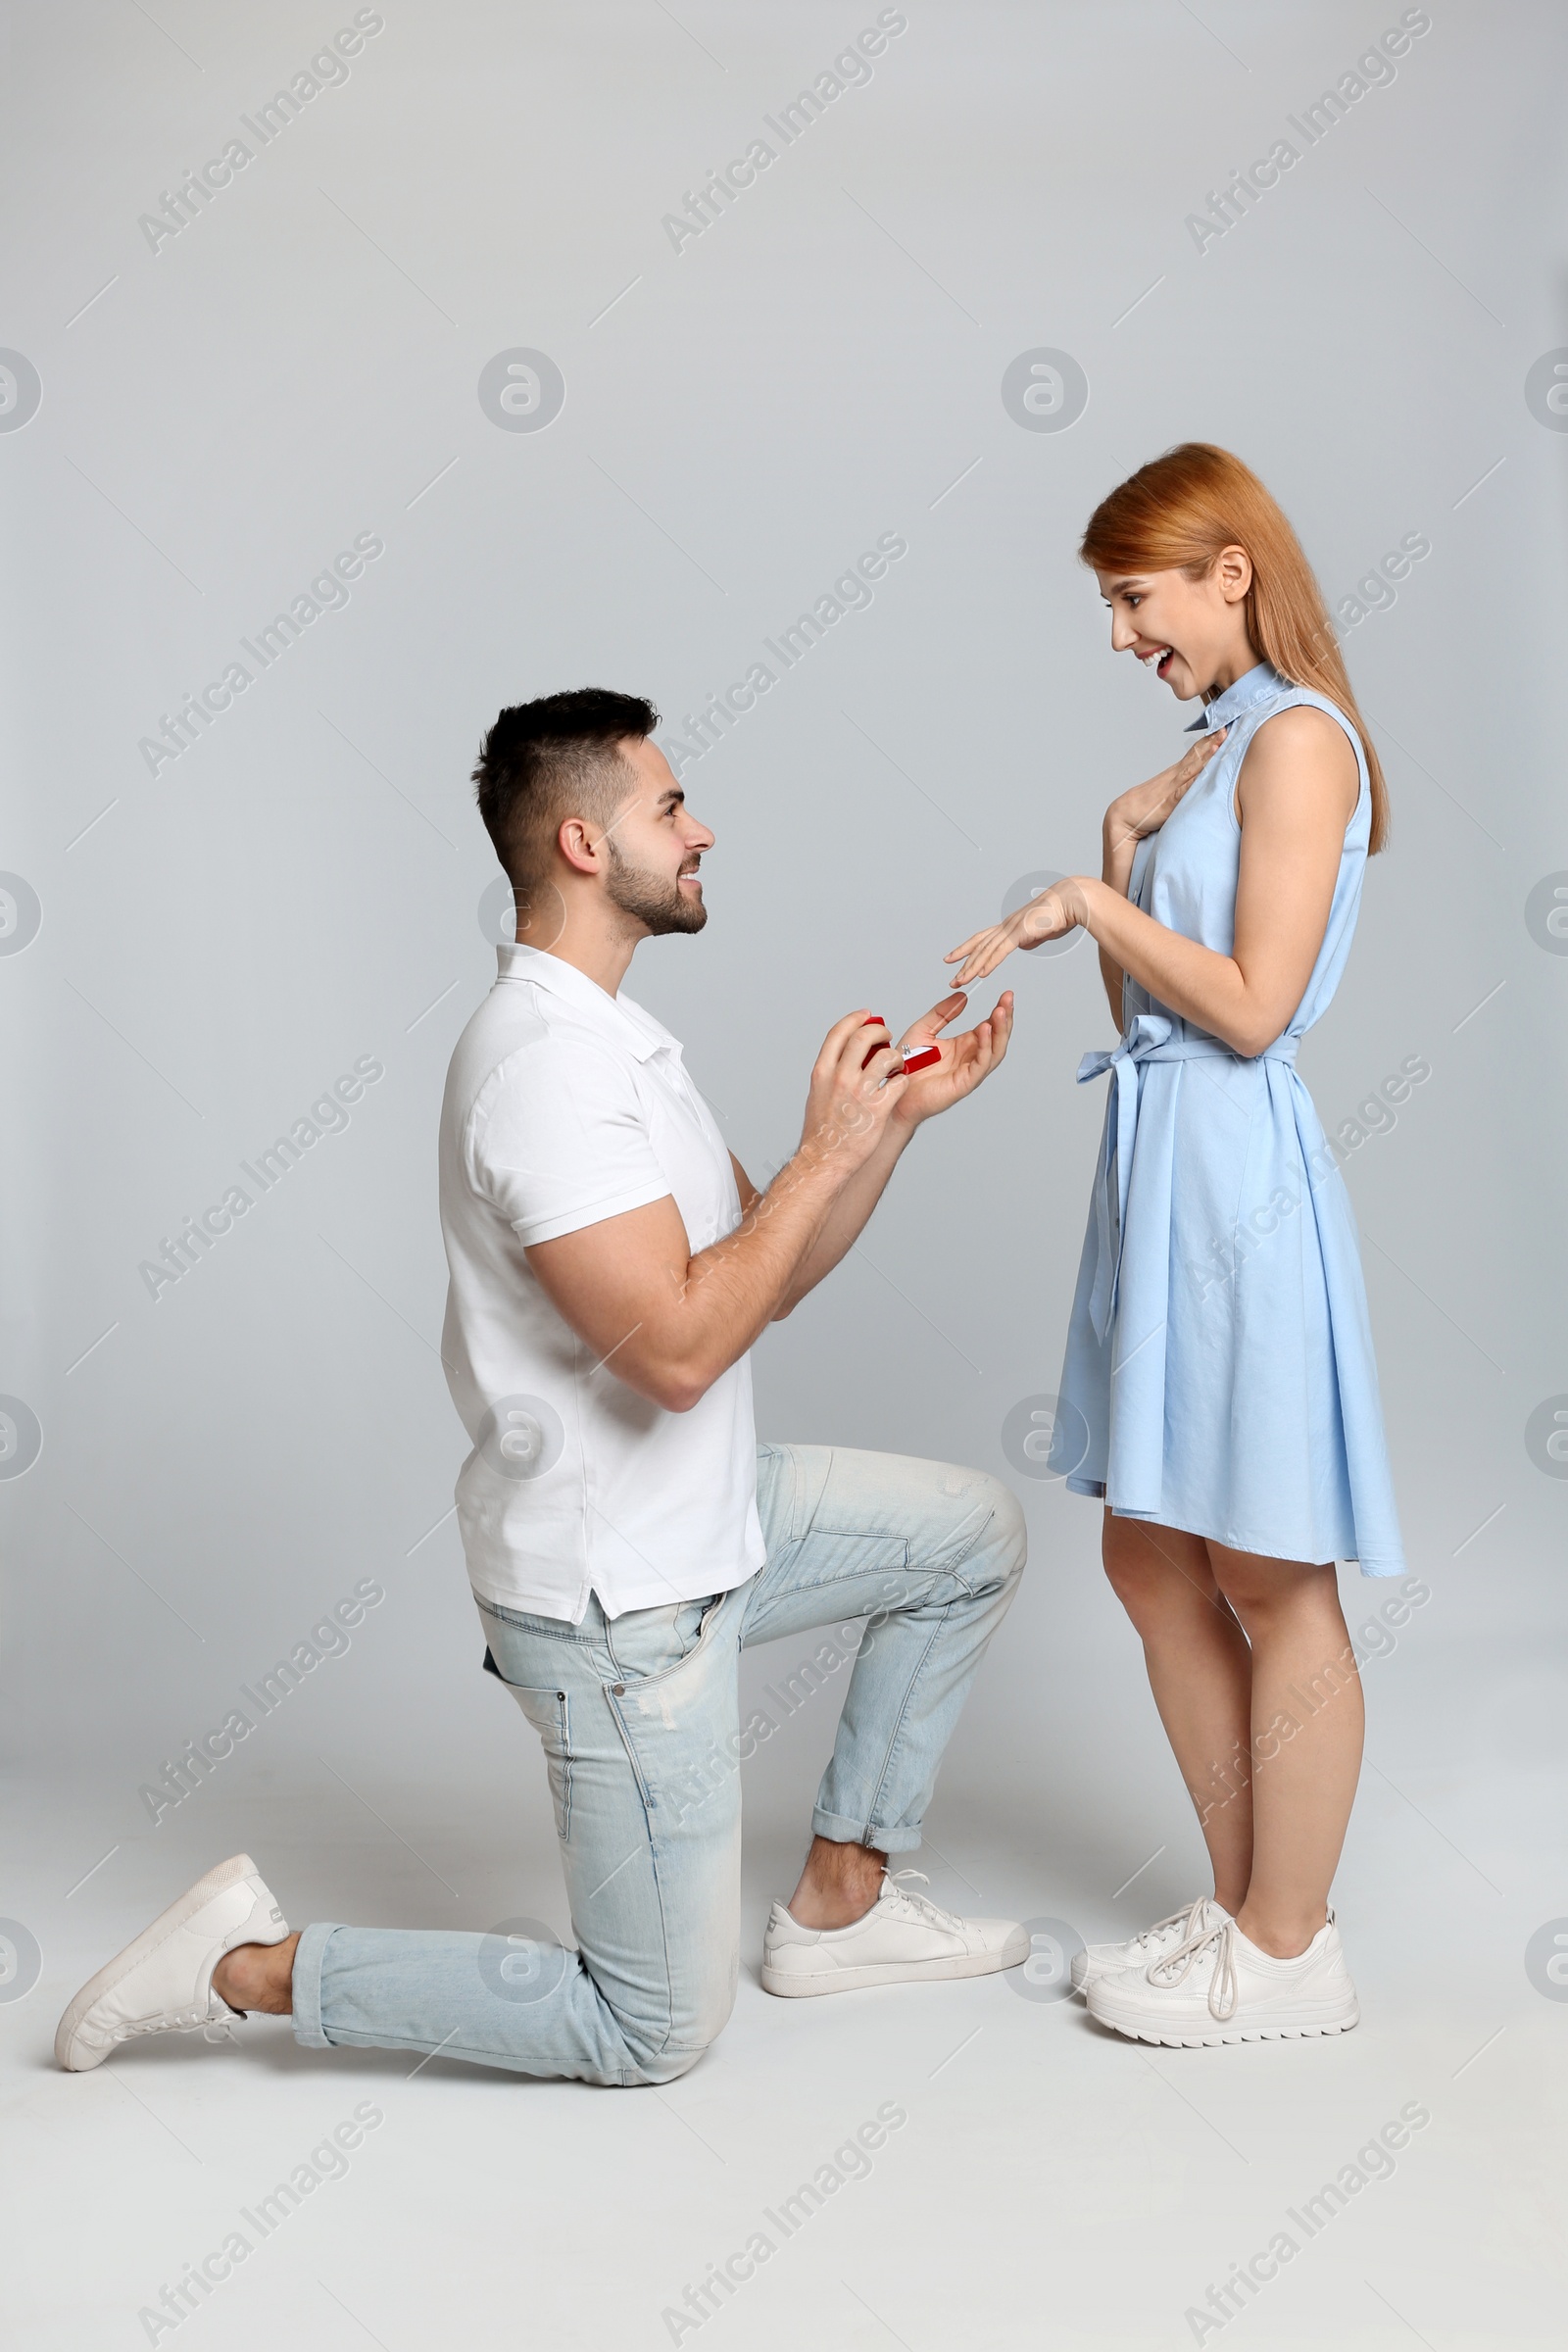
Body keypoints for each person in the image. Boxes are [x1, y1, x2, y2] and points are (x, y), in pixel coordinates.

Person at [58, 689, 1028, 2086]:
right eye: (670, 808)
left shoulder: (625, 1048)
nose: (703, 831)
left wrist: (885, 1132)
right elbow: (685, 1353)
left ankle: (842, 1908)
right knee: (650, 2032)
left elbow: (766, 1281)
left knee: (967, 1537)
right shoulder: (543, 1073)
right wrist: (822, 1147)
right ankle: (239, 1964)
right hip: (618, 1603)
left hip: (708, 1528)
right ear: (583, 842)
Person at [946, 445, 1404, 2046]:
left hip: (1238, 1180)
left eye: (1132, 597)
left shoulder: (1297, 745)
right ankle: (1248, 1917)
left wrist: (1090, 893)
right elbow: (1150, 1022)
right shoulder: (1216, 750)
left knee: (1269, 1563)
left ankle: (1293, 1953)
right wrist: (1124, 847)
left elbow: (1255, 1010)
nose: (1120, 633)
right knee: (1154, 1553)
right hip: (1162, 1164)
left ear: (1230, 572)